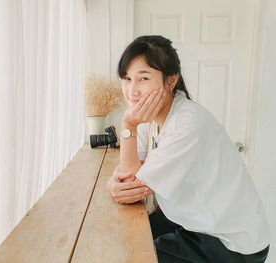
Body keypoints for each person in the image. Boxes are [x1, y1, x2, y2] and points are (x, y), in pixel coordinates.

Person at [106, 35, 270, 262]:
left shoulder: (186, 124)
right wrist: (116, 182)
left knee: (135, 255)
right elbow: (129, 178)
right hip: (193, 221)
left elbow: (132, 185)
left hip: (231, 241)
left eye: (143, 78)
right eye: (127, 78)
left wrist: (128, 124)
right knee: (121, 237)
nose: (132, 91)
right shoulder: (150, 117)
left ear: (171, 81)